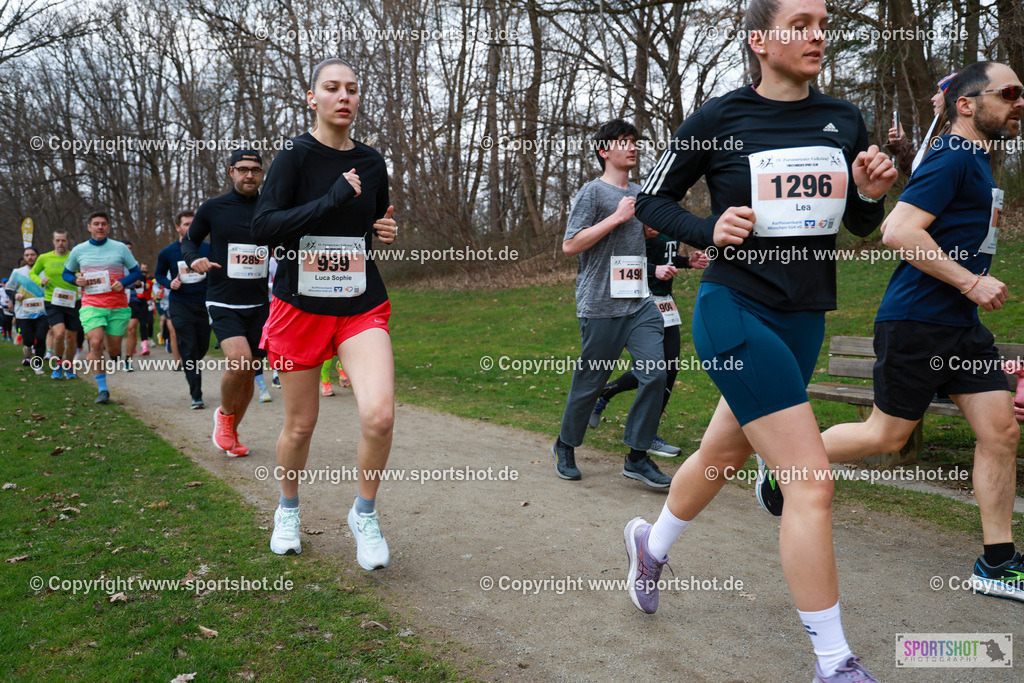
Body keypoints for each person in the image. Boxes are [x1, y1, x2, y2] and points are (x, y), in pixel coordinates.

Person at [622, 1, 896, 681]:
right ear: (759, 40)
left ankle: (650, 546)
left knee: (721, 451)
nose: (817, 36)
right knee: (810, 482)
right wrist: (707, 229)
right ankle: (833, 661)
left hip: (805, 319)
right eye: (800, 23)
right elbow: (650, 203)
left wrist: (867, 194)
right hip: (735, 310)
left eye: (823, 24)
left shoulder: (844, 118)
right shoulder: (719, 119)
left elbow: (857, 224)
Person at [756, 61, 1024, 602]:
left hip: (960, 327)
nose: (1020, 102)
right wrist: (972, 283)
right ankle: (782, 462)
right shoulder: (955, 156)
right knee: (887, 436)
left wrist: (969, 288)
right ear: (968, 106)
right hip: (917, 322)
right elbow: (896, 230)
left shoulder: (971, 157)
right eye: (1010, 93)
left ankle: (997, 563)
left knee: (1001, 433)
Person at [252, 57, 398, 569]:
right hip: (300, 308)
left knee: (379, 416)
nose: (344, 97)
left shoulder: (374, 162)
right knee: (301, 425)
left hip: (359, 303)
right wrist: (331, 200)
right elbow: (265, 227)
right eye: (332, 88)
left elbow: (373, 219)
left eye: (352, 89)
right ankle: (287, 510)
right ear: (311, 98)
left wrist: (380, 231)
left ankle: (365, 513)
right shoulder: (294, 157)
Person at [552, 118, 674, 489]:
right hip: (600, 304)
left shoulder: (642, 192)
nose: (632, 147)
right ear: (604, 151)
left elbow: (641, 240)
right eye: (623, 141)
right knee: (590, 382)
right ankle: (565, 444)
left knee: (657, 373)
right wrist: (618, 218)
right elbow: (570, 244)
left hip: (639, 302)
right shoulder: (593, 193)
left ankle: (637, 456)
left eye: (634, 141)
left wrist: (645, 229)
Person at [589, 227, 708, 456]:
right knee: (655, 368)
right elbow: (618, 262)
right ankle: (645, 434)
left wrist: (687, 261)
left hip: (666, 302)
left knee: (669, 368)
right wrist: (654, 270)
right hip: (641, 302)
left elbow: (665, 256)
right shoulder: (640, 219)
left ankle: (606, 394)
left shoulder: (670, 220)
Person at [183, 149, 270, 457]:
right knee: (240, 361)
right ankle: (223, 414)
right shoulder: (213, 207)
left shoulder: (270, 206)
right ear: (231, 172)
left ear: (262, 174)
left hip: (261, 303)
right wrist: (195, 260)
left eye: (255, 170)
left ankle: (232, 431)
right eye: (243, 169)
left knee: (251, 370)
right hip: (222, 300)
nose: (250, 175)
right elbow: (189, 240)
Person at [62, 212, 142, 403]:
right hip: (92, 305)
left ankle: (114, 356)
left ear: (108, 227)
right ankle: (103, 390)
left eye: (104, 224)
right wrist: (75, 280)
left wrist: (123, 282)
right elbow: (66, 273)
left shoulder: (121, 248)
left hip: (117, 305)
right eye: (96, 224)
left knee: (113, 349)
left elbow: (136, 272)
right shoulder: (79, 250)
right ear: (89, 227)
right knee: (96, 342)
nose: (100, 227)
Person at [155, 211, 210, 410]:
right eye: (186, 224)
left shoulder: (209, 248)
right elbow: (159, 275)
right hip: (180, 304)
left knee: (200, 347)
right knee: (188, 347)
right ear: (178, 228)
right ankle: (196, 395)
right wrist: (170, 284)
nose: (190, 227)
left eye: (193, 224)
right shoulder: (168, 252)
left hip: (204, 304)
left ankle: (191, 365)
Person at [30, 230, 82, 379]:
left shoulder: (75, 256)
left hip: (73, 301)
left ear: (67, 241)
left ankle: (69, 365)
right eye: (58, 240)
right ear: (53, 241)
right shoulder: (44, 258)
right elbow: (33, 273)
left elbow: (84, 273)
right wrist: (40, 281)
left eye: (63, 240)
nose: (61, 243)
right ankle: (58, 364)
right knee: (59, 334)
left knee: (72, 337)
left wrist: (80, 275)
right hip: (53, 301)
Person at [886, 73, 956, 177]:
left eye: (939, 93)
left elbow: (928, 175)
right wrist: (900, 143)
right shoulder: (945, 128)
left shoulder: (955, 133)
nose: (933, 98)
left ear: (950, 97)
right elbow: (920, 170)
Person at [7, 247, 48, 373]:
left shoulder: (45, 271)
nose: (30, 257)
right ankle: (28, 348)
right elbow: (9, 289)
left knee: (41, 338)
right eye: (27, 255)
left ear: (37, 256)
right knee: (28, 339)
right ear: (24, 257)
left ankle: (37, 364)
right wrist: (15, 295)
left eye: (32, 254)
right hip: (24, 313)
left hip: (42, 311)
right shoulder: (17, 272)